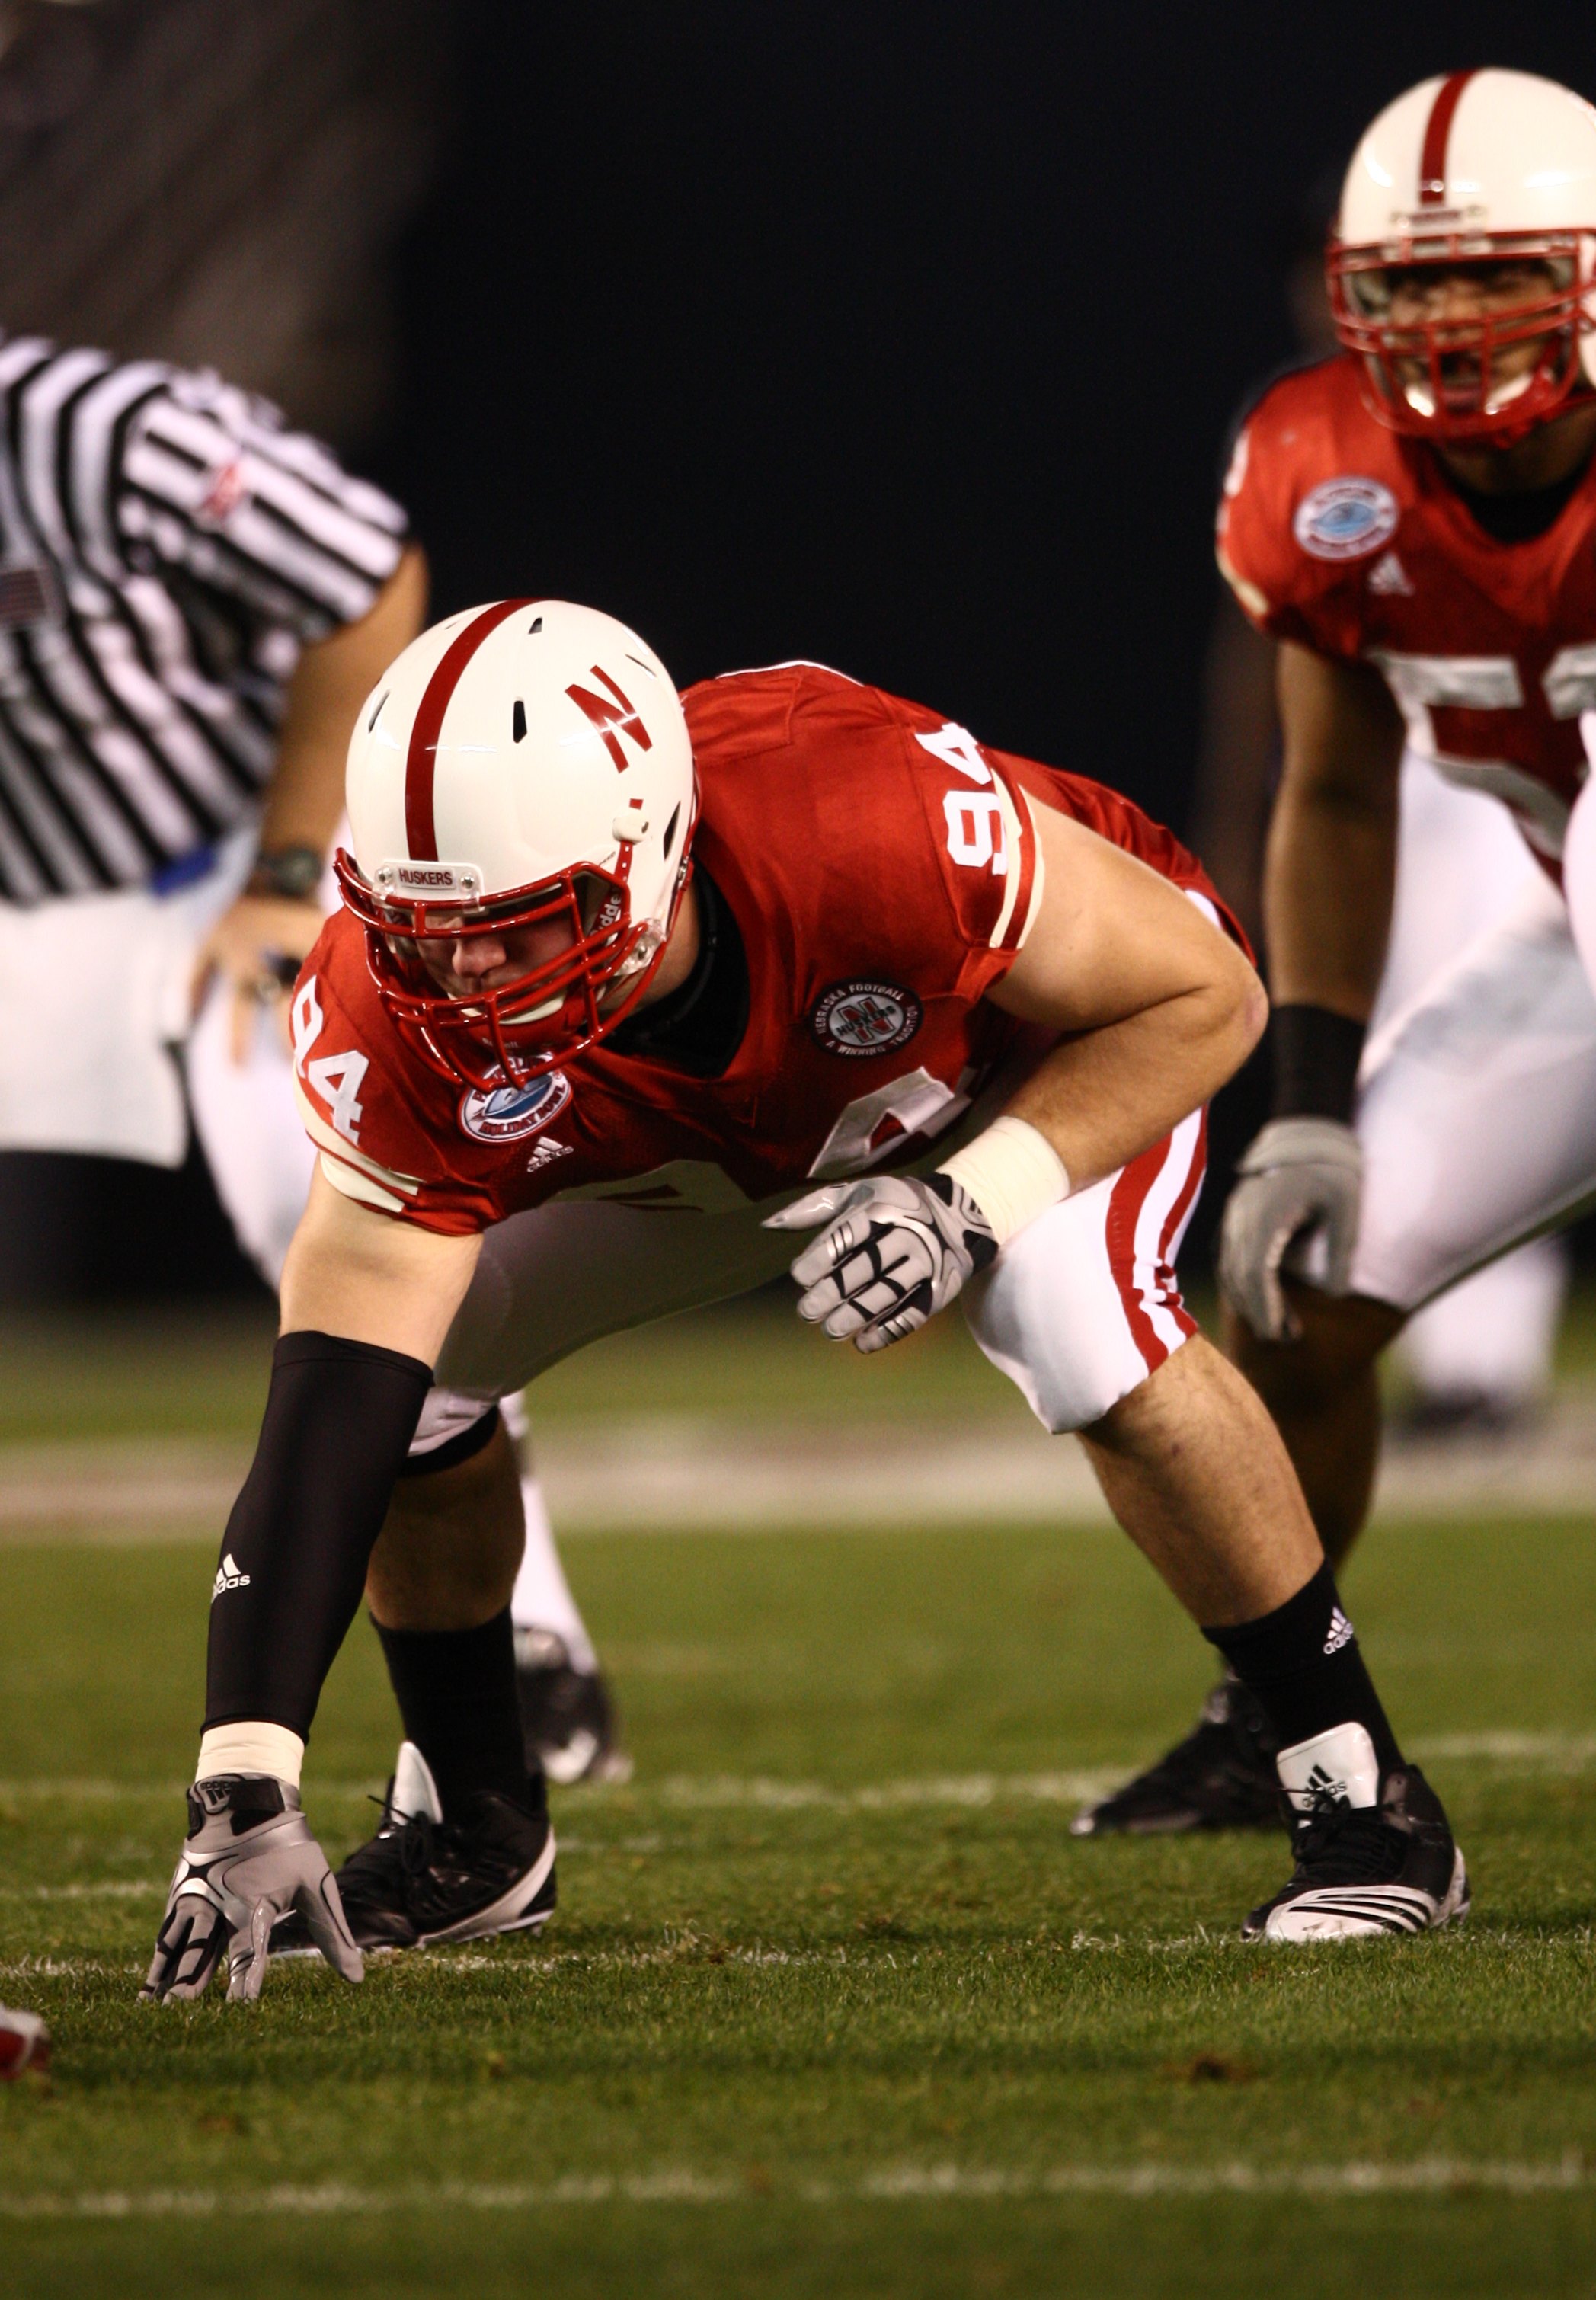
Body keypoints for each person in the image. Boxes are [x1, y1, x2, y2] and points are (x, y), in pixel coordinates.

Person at [137, 598, 1468, 2003]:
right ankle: (476, 1830)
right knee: (430, 1368)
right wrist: (244, 1779)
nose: (461, 978)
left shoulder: (862, 822)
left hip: (1027, 1059)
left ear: (646, 850)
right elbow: (333, 1394)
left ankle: (1360, 1789)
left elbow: (1203, 995)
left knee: (1077, 1323)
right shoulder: (386, 1002)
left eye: (517, 928)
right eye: (424, 930)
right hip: (731, 1136)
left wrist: (978, 1201)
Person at [1076, 66, 1596, 1838]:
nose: (1445, 318)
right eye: (1410, 279)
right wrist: (1308, 1104)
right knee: (1297, 1292)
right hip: (1570, 936)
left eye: (1494, 271)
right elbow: (1342, 796)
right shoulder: (1323, 467)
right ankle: (1278, 1714)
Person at [0, 331, 622, 1780]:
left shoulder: (102, 433)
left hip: (215, 868)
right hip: (31, 896)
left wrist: (289, 866)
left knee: (334, 1192)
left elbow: (362, 580)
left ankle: (525, 1638)